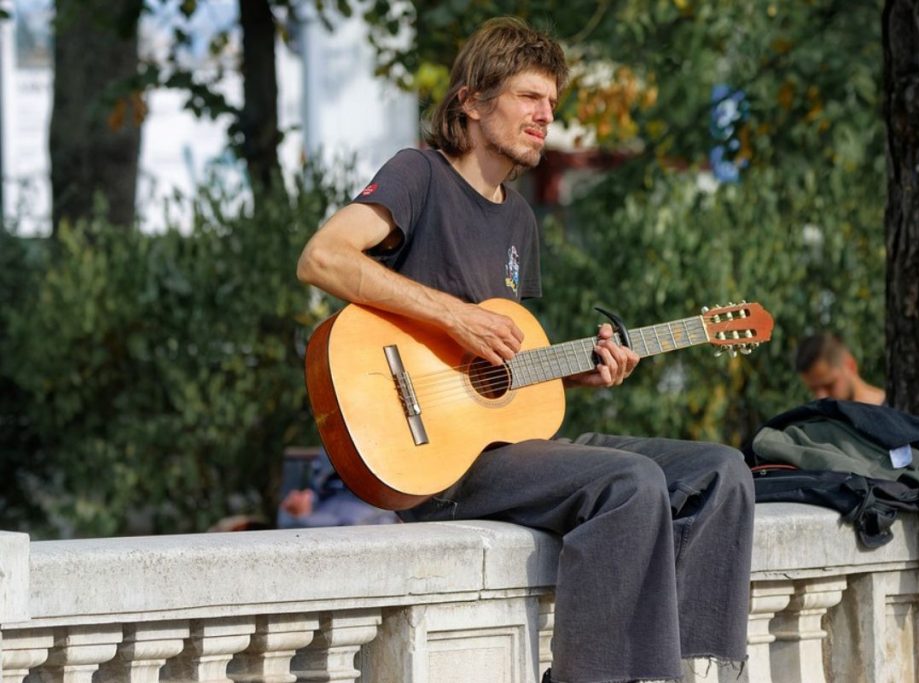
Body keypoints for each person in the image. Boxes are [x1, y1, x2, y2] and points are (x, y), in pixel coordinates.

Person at [296, 18, 754, 683]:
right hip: (437, 461)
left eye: (551, 103)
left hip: (508, 449)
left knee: (721, 471)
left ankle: (681, 668)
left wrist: (583, 373)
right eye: (529, 97)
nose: (546, 115)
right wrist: (454, 317)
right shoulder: (418, 175)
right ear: (473, 102)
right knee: (630, 483)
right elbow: (322, 256)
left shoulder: (518, 218)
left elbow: (503, 379)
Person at [794, 332, 886, 405]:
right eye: (814, 390)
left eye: (829, 385)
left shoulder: (894, 411)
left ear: (850, 365)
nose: (821, 397)